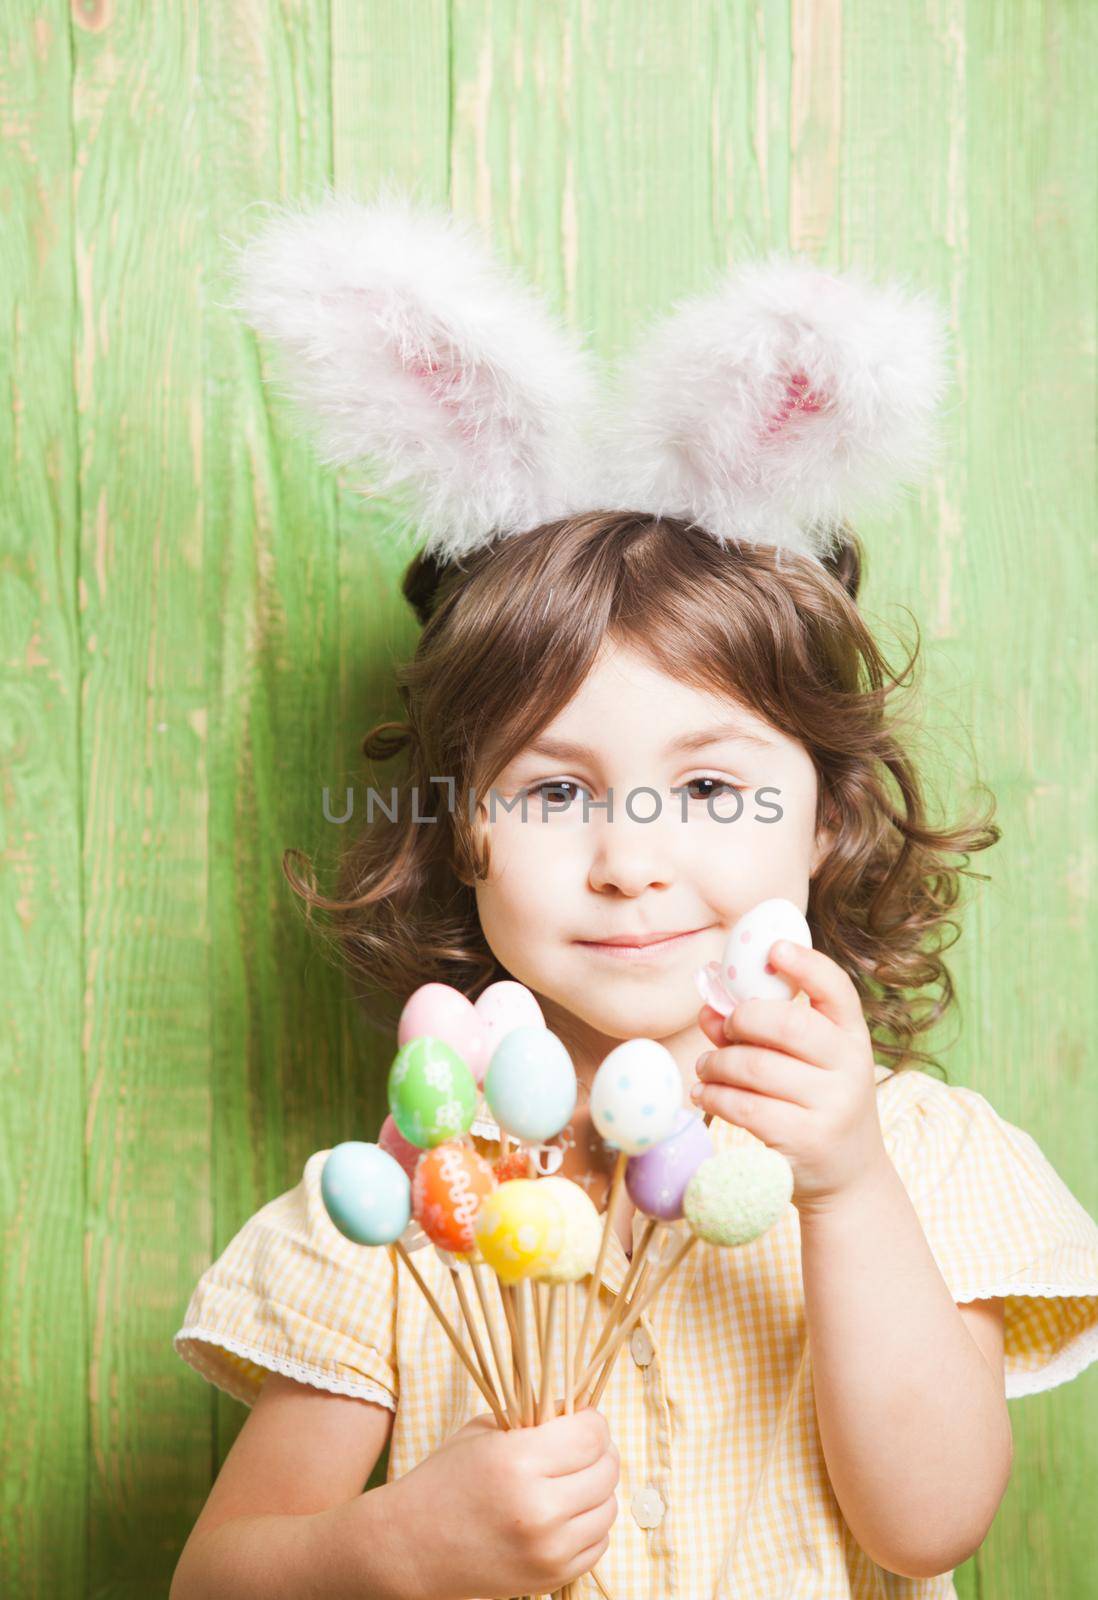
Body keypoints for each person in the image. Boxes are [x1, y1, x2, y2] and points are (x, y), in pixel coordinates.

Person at [170, 192, 1098, 1600]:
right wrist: (390, 1549)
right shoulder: (412, 1204)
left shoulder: (918, 1161)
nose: (629, 856)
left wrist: (840, 1187)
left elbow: (927, 1527)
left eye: (712, 791)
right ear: (455, 834)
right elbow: (215, 1579)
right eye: (553, 794)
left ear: (828, 819)